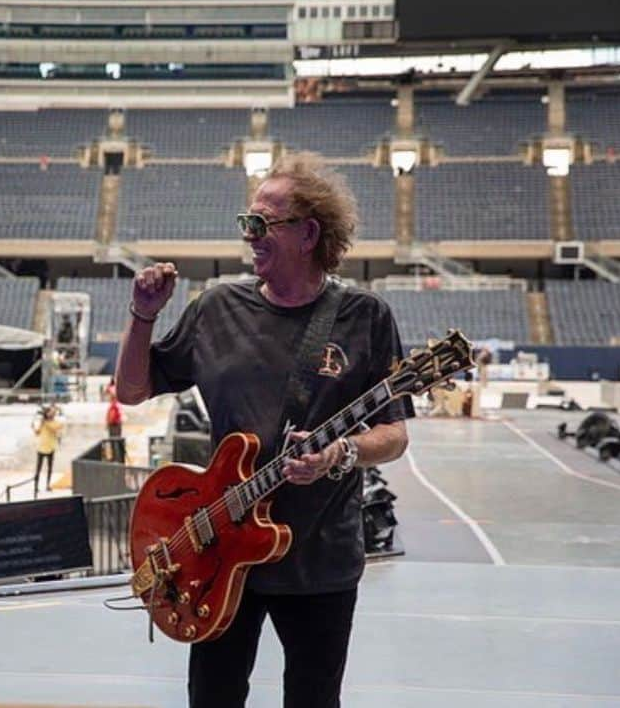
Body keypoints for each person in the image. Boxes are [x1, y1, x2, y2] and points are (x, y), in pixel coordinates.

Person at [115, 151, 412, 708]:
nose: (249, 236)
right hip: (220, 554)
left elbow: (394, 435)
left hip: (319, 558)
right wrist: (142, 315)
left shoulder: (366, 317)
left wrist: (341, 452)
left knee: (313, 699)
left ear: (307, 234)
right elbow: (132, 391)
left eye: (261, 224)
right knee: (213, 697)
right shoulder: (216, 307)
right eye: (245, 223)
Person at [32, 404, 63, 495]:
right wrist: (34, 427)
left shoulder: (52, 422)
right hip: (41, 447)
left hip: (50, 447)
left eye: (52, 413)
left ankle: (48, 485)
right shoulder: (43, 423)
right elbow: (37, 433)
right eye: (50, 412)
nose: (52, 414)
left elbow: (56, 427)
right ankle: (36, 486)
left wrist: (45, 422)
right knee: (38, 468)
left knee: (50, 468)